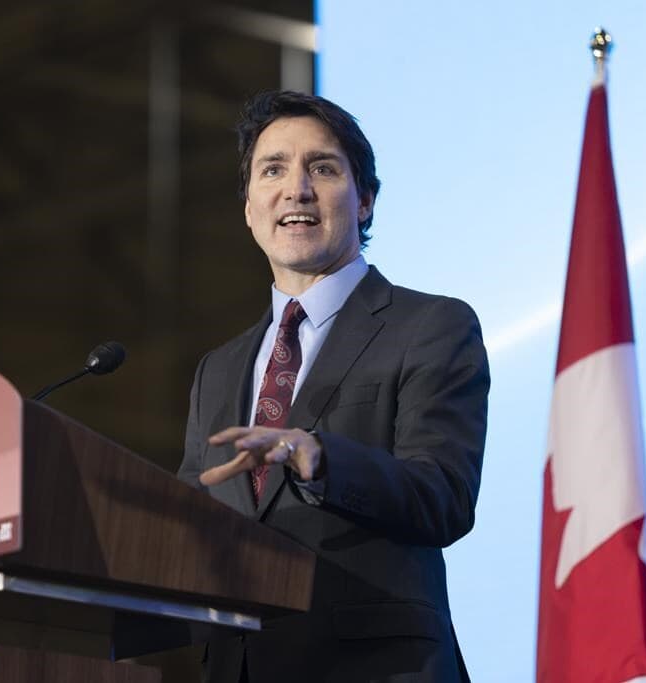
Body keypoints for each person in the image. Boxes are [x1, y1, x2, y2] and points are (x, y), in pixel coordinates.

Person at [177, 90, 490, 683]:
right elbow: (189, 518)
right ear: (249, 208)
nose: (296, 190)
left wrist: (322, 459)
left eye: (321, 168)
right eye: (273, 170)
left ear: (365, 199)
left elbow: (444, 495)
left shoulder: (431, 326)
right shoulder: (217, 369)